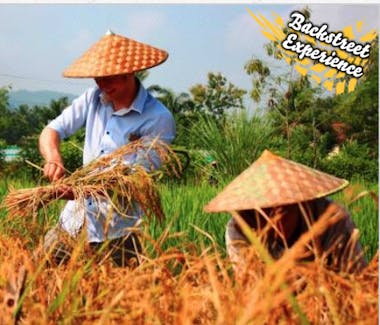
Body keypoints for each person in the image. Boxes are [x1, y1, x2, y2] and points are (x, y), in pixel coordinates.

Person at [39, 30, 176, 266]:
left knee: (115, 299)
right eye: (97, 78)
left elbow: (134, 183)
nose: (102, 85)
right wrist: (53, 157)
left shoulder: (158, 118)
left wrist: (77, 191)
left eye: (109, 78)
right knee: (35, 278)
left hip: (117, 232)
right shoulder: (93, 98)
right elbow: (51, 131)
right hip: (74, 221)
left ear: (130, 72)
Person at [204, 150, 367, 274]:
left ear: (301, 203)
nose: (275, 221)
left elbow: (356, 279)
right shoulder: (240, 229)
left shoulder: (333, 220)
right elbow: (250, 288)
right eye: (265, 212)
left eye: (283, 211)